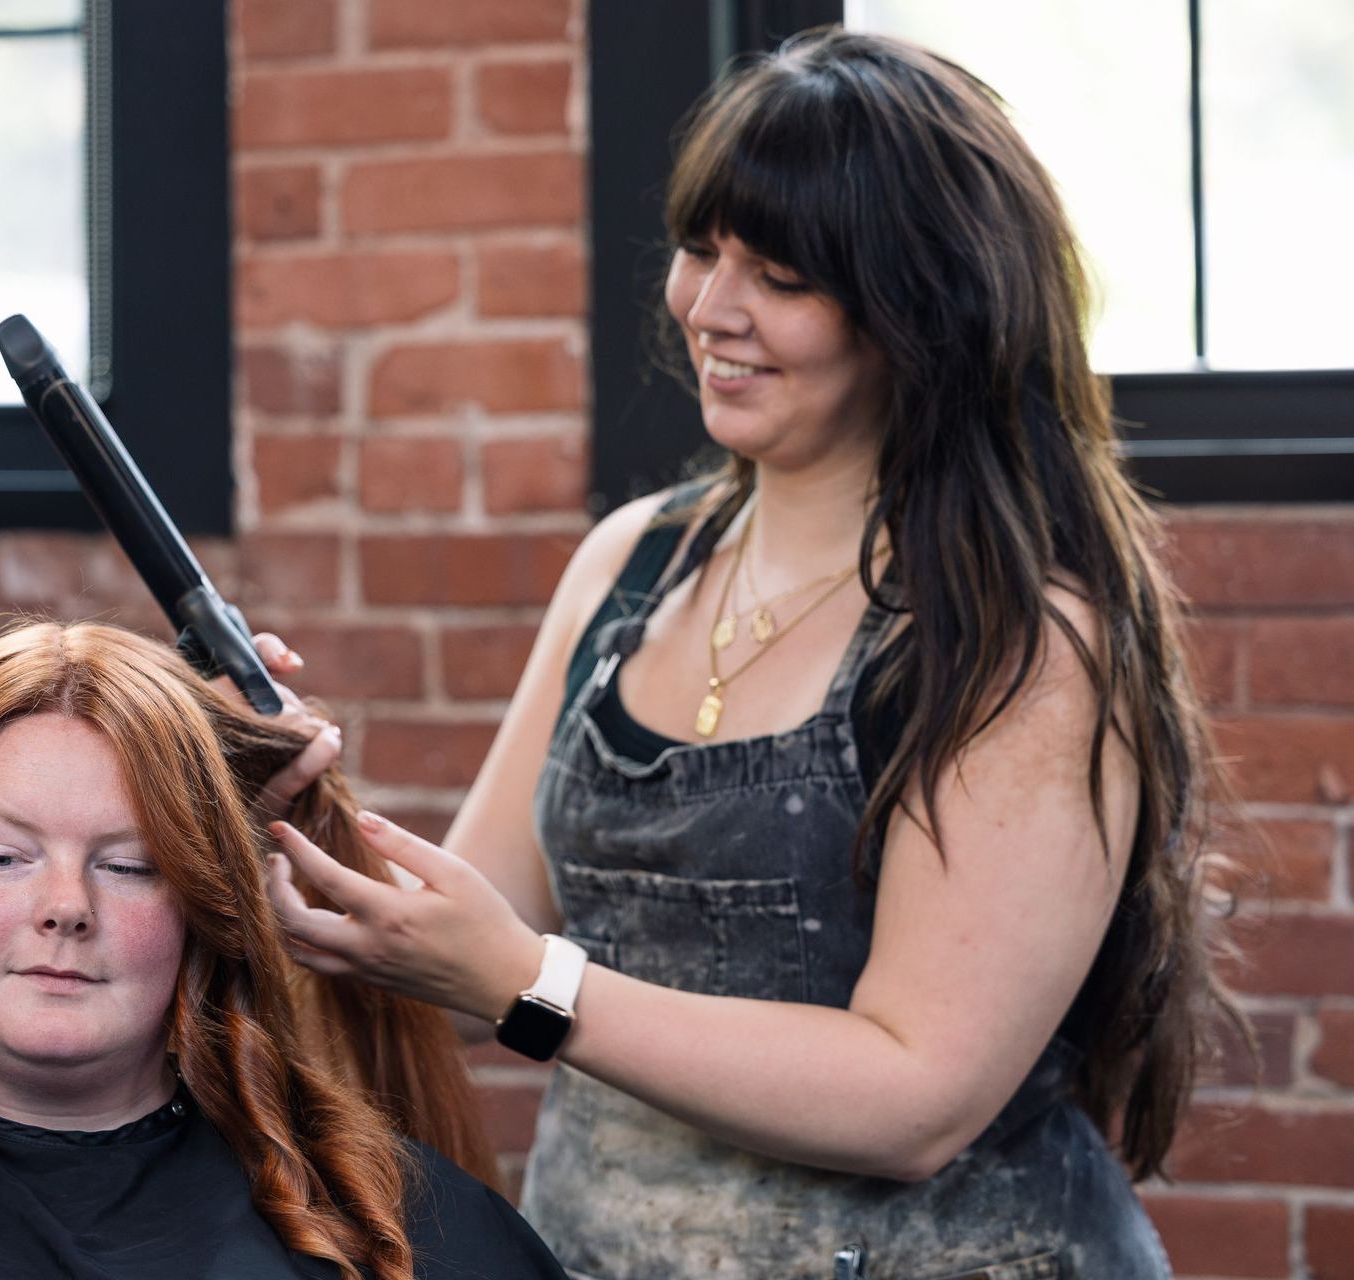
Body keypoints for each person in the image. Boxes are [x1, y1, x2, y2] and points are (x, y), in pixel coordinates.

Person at [262, 27, 1237, 1279]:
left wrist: (535, 983)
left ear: (915, 311)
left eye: (777, 275)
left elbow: (914, 1096)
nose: (710, 309)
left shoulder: (1017, 638)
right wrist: (279, 807)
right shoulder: (633, 561)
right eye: (700, 250)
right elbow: (453, 968)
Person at [0, 622, 565, 1280]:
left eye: (131, 866)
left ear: (204, 911)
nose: (66, 907)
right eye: (4, 857)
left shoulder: (403, 1232)